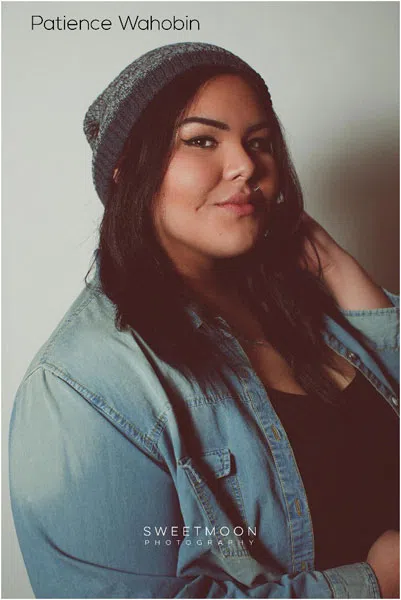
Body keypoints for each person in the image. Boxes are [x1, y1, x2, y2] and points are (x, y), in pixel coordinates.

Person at [9, 42, 399, 599]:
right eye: (202, 140)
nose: (247, 165)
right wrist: (373, 585)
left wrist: (339, 269)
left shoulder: (300, 301)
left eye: (258, 142)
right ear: (126, 169)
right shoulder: (82, 386)